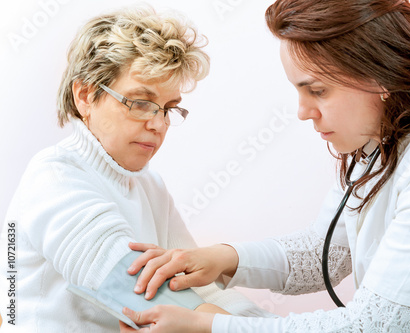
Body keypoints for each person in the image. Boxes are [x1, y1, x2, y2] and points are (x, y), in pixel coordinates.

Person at [118, 0, 410, 332]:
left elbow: (370, 327)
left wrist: (210, 326)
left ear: (382, 73)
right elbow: (329, 254)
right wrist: (224, 259)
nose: (303, 112)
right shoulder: (386, 132)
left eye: (317, 90)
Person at [0, 6, 273, 332]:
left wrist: (276, 326)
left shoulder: (149, 185)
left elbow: (200, 287)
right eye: (140, 102)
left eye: (168, 109)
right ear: (85, 95)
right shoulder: (55, 179)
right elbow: (149, 297)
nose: (158, 124)